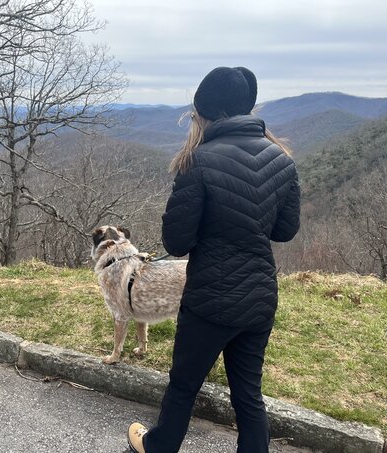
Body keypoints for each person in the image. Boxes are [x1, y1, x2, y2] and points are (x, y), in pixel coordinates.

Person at [127, 66, 301, 453]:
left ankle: (157, 446)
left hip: (210, 299)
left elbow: (177, 241)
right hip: (260, 297)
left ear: (203, 112)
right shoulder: (282, 160)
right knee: (248, 394)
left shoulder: (198, 160)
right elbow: (285, 230)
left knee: (184, 385)